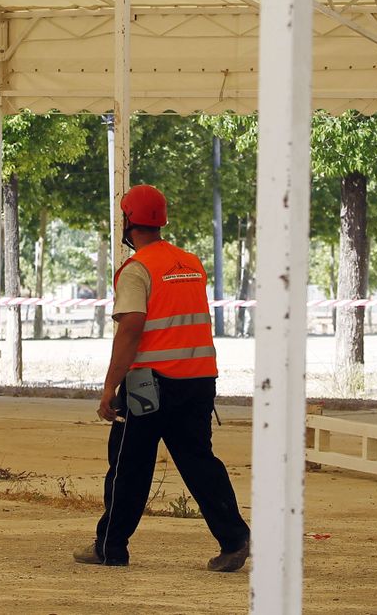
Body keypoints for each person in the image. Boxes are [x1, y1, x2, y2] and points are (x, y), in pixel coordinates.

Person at [75, 184, 251, 572]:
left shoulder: (137, 269)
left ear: (128, 221)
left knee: (129, 465)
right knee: (198, 461)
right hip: (199, 379)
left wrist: (109, 387)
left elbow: (131, 329)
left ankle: (110, 547)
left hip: (147, 385)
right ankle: (234, 539)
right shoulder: (190, 264)